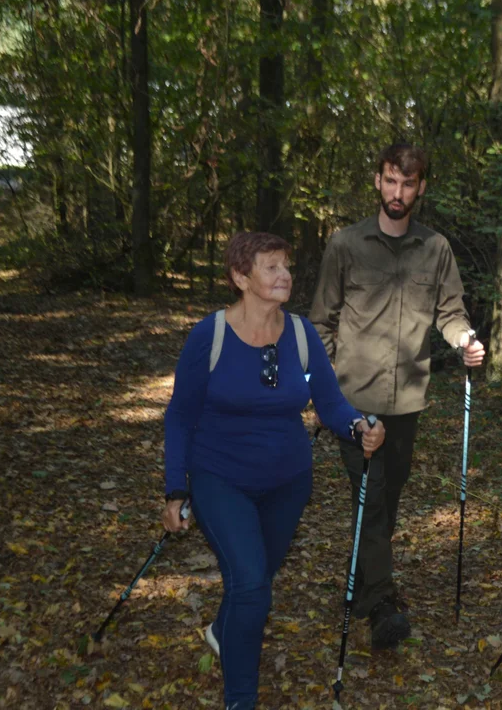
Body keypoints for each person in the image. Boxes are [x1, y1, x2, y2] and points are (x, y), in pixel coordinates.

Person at [162, 232, 384, 710]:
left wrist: (359, 426)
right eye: (271, 267)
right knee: (250, 584)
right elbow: (180, 414)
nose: (284, 275)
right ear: (241, 278)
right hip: (220, 478)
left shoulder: (302, 335)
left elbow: (329, 403)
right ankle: (240, 700)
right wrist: (175, 489)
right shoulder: (210, 335)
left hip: (287, 483)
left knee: (255, 582)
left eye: (286, 265)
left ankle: (223, 630)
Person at [309, 142, 485, 650]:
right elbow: (321, 320)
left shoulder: (437, 249)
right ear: (378, 181)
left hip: (408, 399)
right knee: (373, 494)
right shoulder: (345, 245)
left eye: (408, 184)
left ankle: (360, 585)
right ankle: (382, 603)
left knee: (386, 501)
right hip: (353, 399)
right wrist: (323, 394)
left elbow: (451, 314)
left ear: (420, 188)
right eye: (390, 181)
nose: (398, 192)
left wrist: (466, 341)